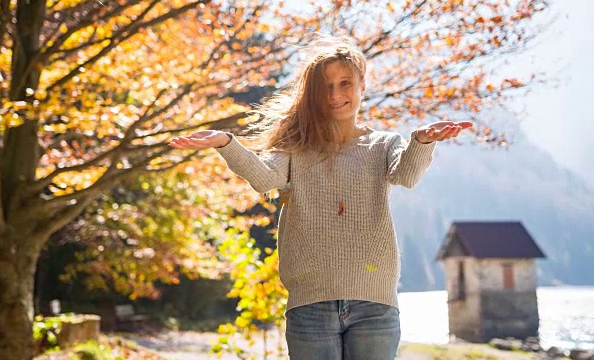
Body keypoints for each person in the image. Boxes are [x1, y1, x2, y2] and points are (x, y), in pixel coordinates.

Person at [169, 36, 472, 360]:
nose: (335, 95)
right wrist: (226, 142)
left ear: (361, 85)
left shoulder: (384, 144)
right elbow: (262, 177)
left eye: (345, 83)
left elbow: (406, 174)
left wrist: (422, 141)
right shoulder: (295, 147)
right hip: (309, 305)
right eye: (325, 87)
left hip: (374, 305)